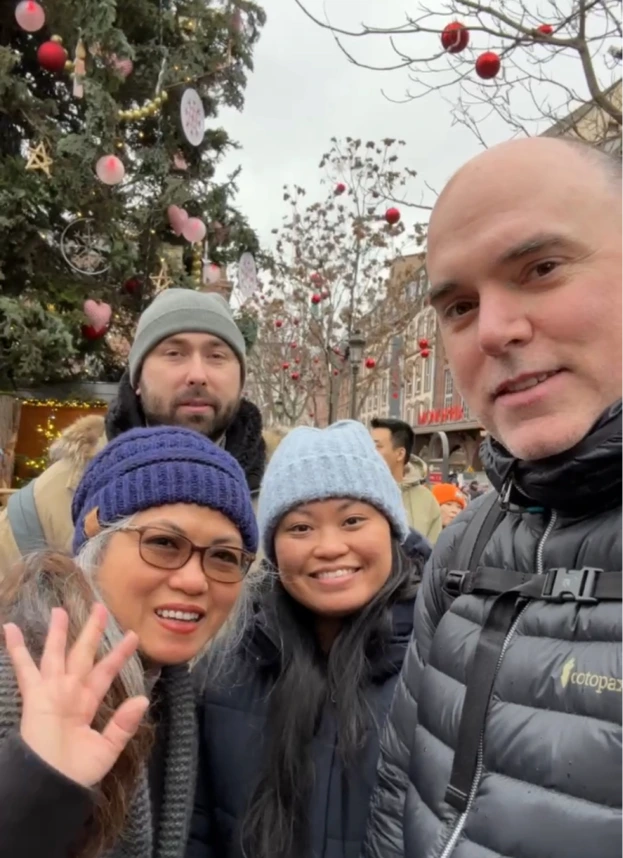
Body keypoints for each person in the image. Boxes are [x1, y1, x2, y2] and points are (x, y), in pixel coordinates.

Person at [363, 136, 623, 858]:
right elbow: (397, 794)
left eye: (540, 269)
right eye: (458, 306)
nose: (495, 331)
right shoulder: (467, 545)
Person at [0, 425, 258, 858]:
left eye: (224, 557)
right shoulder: (21, 679)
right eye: (162, 543)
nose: (195, 580)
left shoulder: (168, 693)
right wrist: (37, 781)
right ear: (94, 541)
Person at [187, 420, 428, 858]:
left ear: (392, 532)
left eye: (353, 520)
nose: (329, 546)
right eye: (300, 528)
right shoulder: (223, 671)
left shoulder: (445, 666)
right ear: (274, 548)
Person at [0, 289, 266, 570]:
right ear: (137, 379)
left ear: (240, 381)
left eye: (216, 356)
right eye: (174, 353)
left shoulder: (291, 501)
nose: (198, 375)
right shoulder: (42, 510)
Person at [370, 417, 441, 543]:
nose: (369, 452)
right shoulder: (357, 494)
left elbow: (433, 556)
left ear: (400, 454)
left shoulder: (426, 501)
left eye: (377, 446)